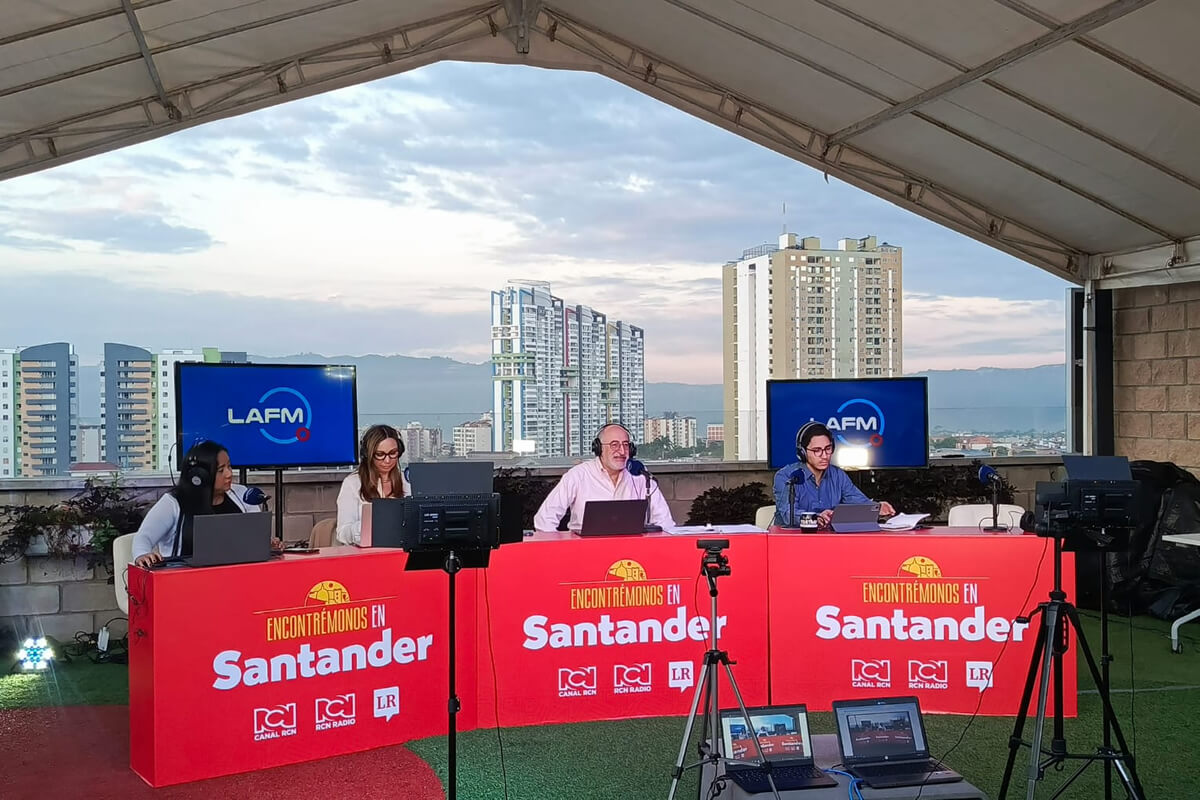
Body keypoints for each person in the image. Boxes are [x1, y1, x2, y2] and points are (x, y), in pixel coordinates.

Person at [132, 440, 269, 567]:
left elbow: (254, 539)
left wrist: (266, 544)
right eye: (221, 470)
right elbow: (144, 537)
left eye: (229, 466)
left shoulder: (241, 494)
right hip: (184, 581)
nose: (229, 474)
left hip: (237, 576)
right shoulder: (173, 503)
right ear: (199, 475)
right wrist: (142, 554)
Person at [533, 423, 675, 532]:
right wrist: (562, 550)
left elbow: (665, 522)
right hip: (585, 553)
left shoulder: (641, 476)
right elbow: (544, 520)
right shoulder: (578, 475)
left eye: (625, 445)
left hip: (632, 554)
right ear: (599, 448)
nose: (621, 451)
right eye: (614, 445)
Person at [773, 421, 895, 528]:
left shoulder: (838, 476)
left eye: (828, 449)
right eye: (817, 451)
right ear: (803, 452)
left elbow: (858, 502)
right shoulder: (786, 476)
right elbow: (788, 514)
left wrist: (876, 507)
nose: (825, 455)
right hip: (791, 542)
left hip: (829, 541)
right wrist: (816, 518)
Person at [336, 424, 412, 545]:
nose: (387, 460)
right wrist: (368, 525)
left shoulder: (407, 481)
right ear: (368, 455)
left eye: (393, 453)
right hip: (367, 555)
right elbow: (342, 533)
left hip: (402, 550)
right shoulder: (353, 483)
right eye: (380, 454)